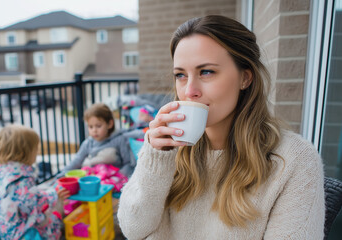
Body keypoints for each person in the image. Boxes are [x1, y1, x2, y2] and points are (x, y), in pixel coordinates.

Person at [118, 15, 325, 239]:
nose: (189, 91)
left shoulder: (294, 160)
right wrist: (157, 156)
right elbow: (133, 229)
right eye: (180, 75)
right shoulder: (170, 150)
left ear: (245, 78)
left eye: (206, 72)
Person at [0, 124, 70, 240]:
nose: (37, 153)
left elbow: (24, 198)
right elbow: (34, 208)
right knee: (56, 220)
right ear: (25, 152)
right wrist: (54, 196)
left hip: (4, 228)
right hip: (23, 234)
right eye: (35, 149)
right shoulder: (21, 179)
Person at [56, 103, 136, 178]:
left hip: (113, 179)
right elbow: (77, 161)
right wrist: (63, 173)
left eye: (98, 126)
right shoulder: (88, 143)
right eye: (90, 127)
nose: (94, 130)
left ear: (110, 124)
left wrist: (119, 176)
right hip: (93, 179)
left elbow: (128, 163)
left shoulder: (119, 140)